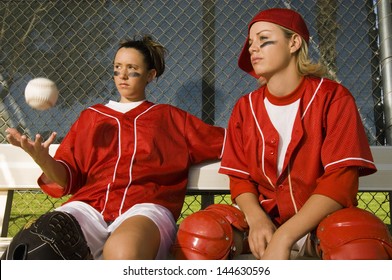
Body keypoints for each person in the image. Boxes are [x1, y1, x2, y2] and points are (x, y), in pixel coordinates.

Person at [172, 8, 392, 260]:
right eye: (251, 43)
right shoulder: (245, 107)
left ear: (294, 42)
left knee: (357, 240)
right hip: (262, 223)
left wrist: (285, 236)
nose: (253, 48)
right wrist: (256, 221)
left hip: (320, 223)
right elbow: (241, 178)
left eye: (264, 39)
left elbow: (340, 180)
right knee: (200, 236)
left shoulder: (332, 97)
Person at [3, 35, 226, 260]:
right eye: (118, 67)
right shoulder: (92, 117)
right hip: (89, 208)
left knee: (122, 253)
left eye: (132, 68)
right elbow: (66, 178)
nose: (123, 75)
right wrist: (43, 159)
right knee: (33, 246)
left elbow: (232, 143)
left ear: (150, 75)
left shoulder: (171, 119)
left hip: (145, 209)